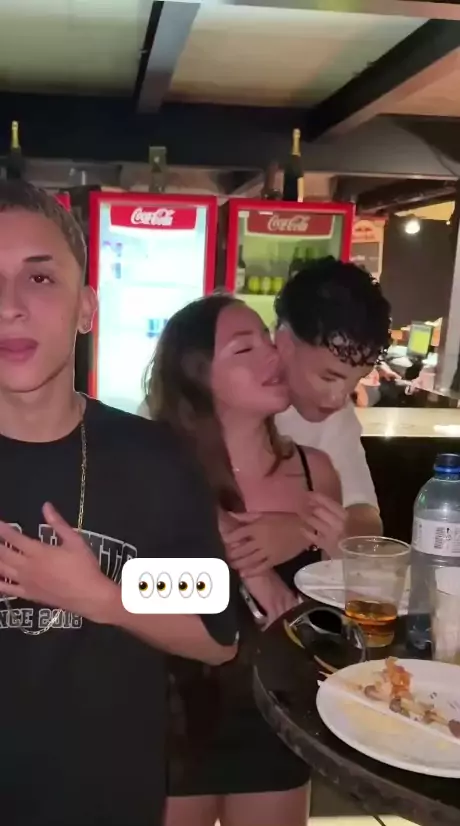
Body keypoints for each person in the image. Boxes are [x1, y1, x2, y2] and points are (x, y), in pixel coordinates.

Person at [0, 181, 237, 826]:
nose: (11, 307)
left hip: (106, 802)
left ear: (86, 309)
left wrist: (102, 596)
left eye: (40, 278)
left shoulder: (150, 460)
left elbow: (217, 633)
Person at [143, 294, 347, 826]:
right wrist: (245, 564)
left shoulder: (316, 472)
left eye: (266, 339)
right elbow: (137, 592)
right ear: (198, 376)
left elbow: (330, 624)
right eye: (243, 348)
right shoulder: (153, 469)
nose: (272, 355)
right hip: (170, 719)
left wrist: (335, 554)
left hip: (279, 718)